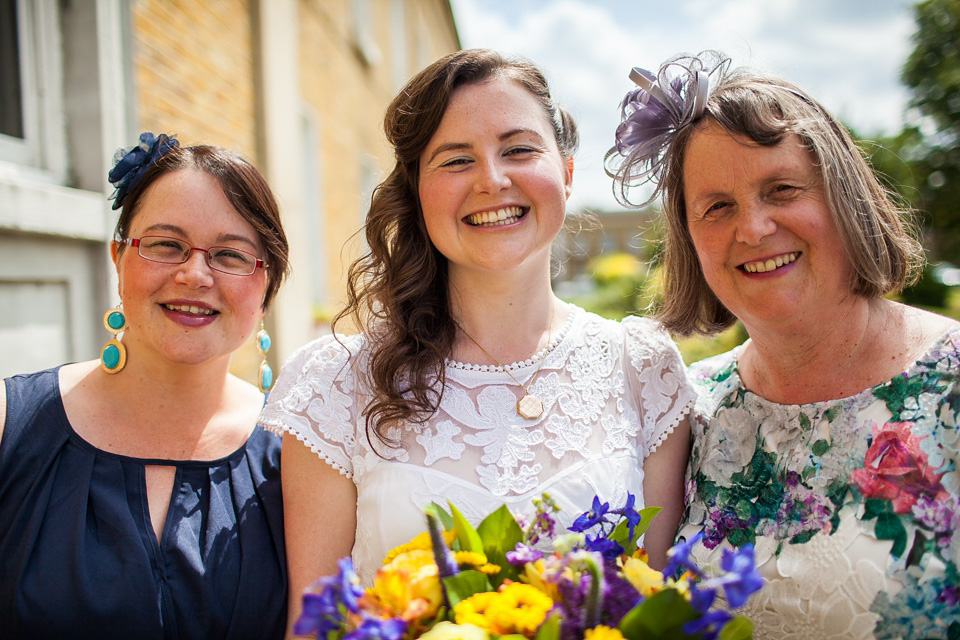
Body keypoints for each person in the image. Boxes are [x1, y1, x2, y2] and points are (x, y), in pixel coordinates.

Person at [261, 48, 694, 621]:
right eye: (455, 160)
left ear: (564, 173)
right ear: (417, 191)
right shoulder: (334, 383)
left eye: (518, 150)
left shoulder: (644, 369)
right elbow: (311, 627)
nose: (492, 180)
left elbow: (658, 612)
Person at [606, 51, 960, 639]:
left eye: (783, 189)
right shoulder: (687, 409)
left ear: (843, 197)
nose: (753, 228)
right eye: (717, 206)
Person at [0, 133, 291, 640]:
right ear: (118, 259)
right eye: (165, 245)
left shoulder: (299, 453)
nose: (194, 274)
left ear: (265, 288)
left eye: (230, 255)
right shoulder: (9, 423)